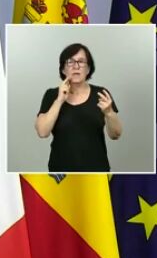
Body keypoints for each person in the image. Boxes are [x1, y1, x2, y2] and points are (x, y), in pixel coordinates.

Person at [35, 43, 122, 172]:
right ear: (63, 69)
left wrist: (109, 112)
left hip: (96, 171)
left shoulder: (101, 93)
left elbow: (116, 134)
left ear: (88, 69)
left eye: (81, 62)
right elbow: (42, 132)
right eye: (70, 62)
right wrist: (59, 100)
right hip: (61, 173)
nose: (76, 66)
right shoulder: (52, 94)